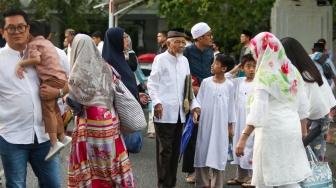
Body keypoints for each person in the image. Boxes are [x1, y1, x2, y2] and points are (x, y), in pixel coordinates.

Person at [0, 8, 68, 187]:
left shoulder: (49, 52)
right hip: (12, 137)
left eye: (21, 27)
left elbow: (69, 83)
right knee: (16, 185)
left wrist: (58, 93)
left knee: (53, 184)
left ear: (28, 28)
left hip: (44, 137)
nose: (17, 32)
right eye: (11, 28)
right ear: (2, 32)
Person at [235, 32, 312, 188]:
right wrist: (303, 128)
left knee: (266, 177)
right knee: (288, 176)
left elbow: (259, 108)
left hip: (271, 129)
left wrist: (243, 137)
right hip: (292, 127)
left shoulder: (264, 74)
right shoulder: (291, 70)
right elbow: (302, 102)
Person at [67, 34, 135, 187]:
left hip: (89, 125)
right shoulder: (107, 67)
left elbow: (74, 102)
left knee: (90, 161)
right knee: (110, 159)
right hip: (110, 122)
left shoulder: (80, 72)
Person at [147, 28, 200, 188]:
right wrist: (156, 102)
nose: (182, 45)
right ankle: (164, 184)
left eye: (183, 42)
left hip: (180, 113)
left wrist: (194, 106)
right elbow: (152, 83)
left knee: (176, 151)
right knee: (165, 151)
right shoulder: (160, 59)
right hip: (163, 111)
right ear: (168, 43)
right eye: (178, 42)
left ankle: (172, 183)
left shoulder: (184, 61)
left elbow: (188, 88)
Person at [15, 20, 71, 162]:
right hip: (61, 79)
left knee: (48, 111)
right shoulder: (49, 44)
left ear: (29, 33)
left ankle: (53, 143)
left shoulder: (33, 45)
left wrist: (21, 63)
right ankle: (62, 137)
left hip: (50, 80)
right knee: (55, 109)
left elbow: (36, 59)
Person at [281, 37, 336, 161]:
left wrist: (302, 125)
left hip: (315, 120)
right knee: (316, 156)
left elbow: (313, 106)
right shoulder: (309, 68)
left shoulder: (305, 75)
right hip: (319, 118)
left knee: (311, 158)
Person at [194, 54, 236, 188]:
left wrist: (230, 127)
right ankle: (202, 183)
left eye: (216, 63)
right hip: (205, 123)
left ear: (224, 68)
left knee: (218, 151)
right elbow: (198, 100)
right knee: (203, 149)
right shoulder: (206, 82)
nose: (212, 65)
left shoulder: (230, 85)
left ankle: (217, 184)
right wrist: (196, 112)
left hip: (221, 126)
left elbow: (231, 107)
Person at [182, 22, 214, 183]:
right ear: (199, 37)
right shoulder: (187, 51)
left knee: (207, 134)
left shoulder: (210, 52)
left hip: (208, 96)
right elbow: (183, 75)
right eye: (209, 35)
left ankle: (204, 171)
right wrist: (191, 88)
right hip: (192, 96)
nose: (211, 38)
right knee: (192, 134)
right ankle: (190, 171)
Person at [225, 53, 256, 187]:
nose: (251, 69)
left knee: (251, 147)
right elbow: (225, 78)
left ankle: (253, 177)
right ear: (242, 68)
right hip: (239, 120)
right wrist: (236, 69)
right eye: (248, 66)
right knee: (239, 146)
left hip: (252, 120)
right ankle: (241, 176)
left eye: (254, 66)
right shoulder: (238, 82)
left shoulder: (259, 82)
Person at [102, 27, 149, 106]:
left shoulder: (120, 59)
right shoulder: (110, 62)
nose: (127, 40)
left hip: (129, 104)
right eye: (124, 37)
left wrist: (136, 95)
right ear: (116, 40)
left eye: (127, 37)